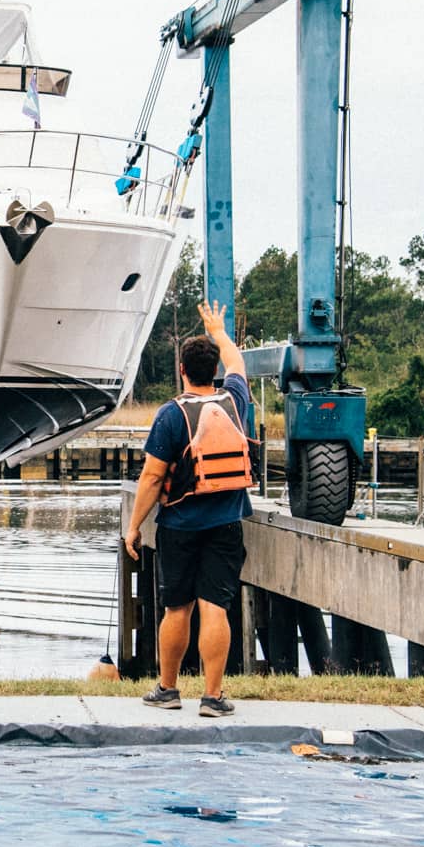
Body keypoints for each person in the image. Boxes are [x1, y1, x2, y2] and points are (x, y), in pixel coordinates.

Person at [124, 300, 255, 718]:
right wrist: (217, 331)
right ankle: (213, 697)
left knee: (177, 608)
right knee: (215, 607)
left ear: (182, 370)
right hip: (227, 522)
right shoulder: (236, 401)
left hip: (179, 525)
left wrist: (133, 528)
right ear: (214, 370)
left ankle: (168, 688)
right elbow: (237, 361)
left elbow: (151, 478)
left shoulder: (170, 415)